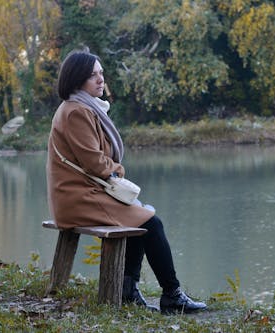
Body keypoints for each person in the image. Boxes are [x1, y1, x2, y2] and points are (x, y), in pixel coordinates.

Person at [46, 49, 207, 314]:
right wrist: (118, 169)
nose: (100, 80)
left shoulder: (83, 108)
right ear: (77, 81)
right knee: (151, 223)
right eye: (92, 75)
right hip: (77, 197)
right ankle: (172, 295)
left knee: (139, 217)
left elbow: (96, 162)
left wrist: (111, 170)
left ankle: (128, 291)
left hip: (83, 193)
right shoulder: (77, 112)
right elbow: (95, 163)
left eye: (101, 73)